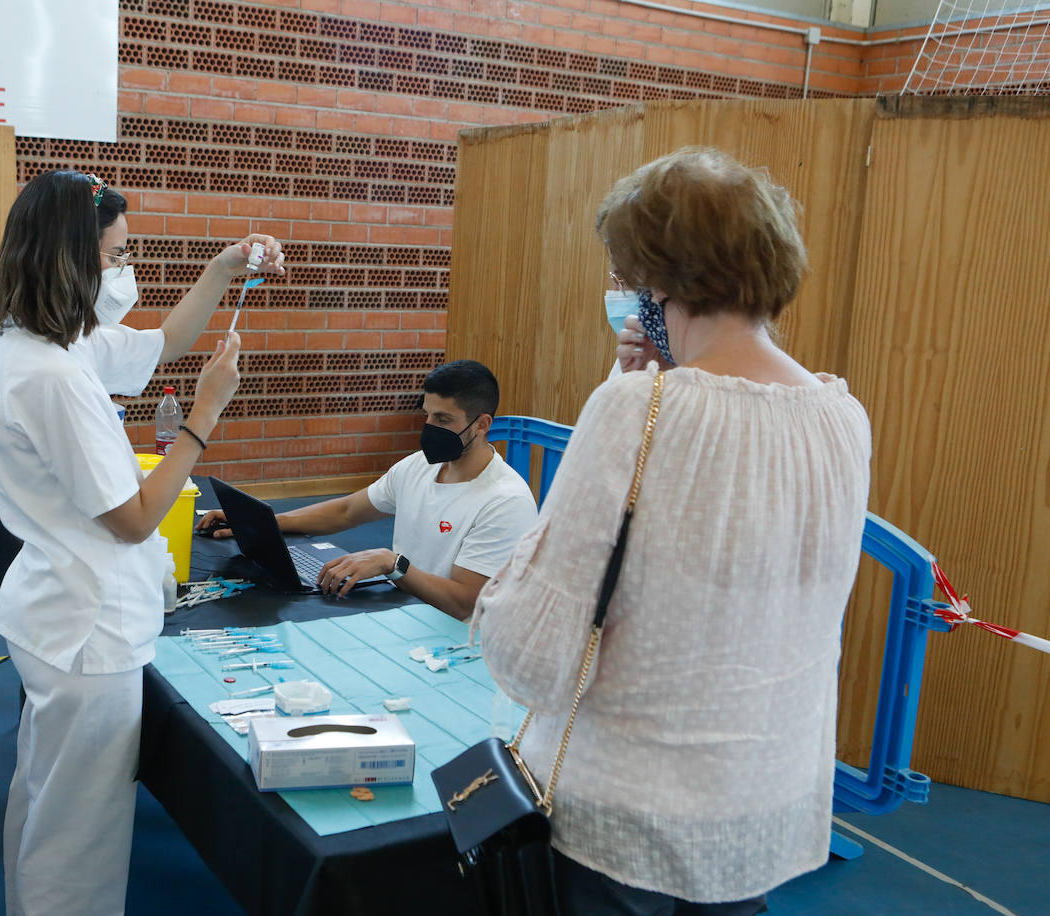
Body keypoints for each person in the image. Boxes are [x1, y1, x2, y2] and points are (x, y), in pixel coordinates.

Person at [473, 147, 872, 913]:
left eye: (624, 277)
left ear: (656, 285)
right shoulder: (841, 418)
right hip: (755, 809)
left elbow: (532, 653)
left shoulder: (637, 411)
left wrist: (626, 392)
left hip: (625, 821)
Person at [0, 169, 278, 916]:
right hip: (88, 627)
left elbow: (167, 341)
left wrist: (223, 267)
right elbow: (138, 517)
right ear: (68, 261)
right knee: (79, 835)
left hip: (62, 613)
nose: (123, 272)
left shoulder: (52, 341)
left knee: (48, 800)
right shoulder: (49, 374)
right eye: (115, 258)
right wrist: (203, 418)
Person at [196, 359, 538, 620]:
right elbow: (346, 511)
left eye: (443, 420)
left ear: (482, 424)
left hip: (459, 645)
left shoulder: (504, 501)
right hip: (406, 615)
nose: (430, 428)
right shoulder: (418, 466)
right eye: (427, 416)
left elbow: (465, 605)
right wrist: (262, 522)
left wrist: (394, 564)